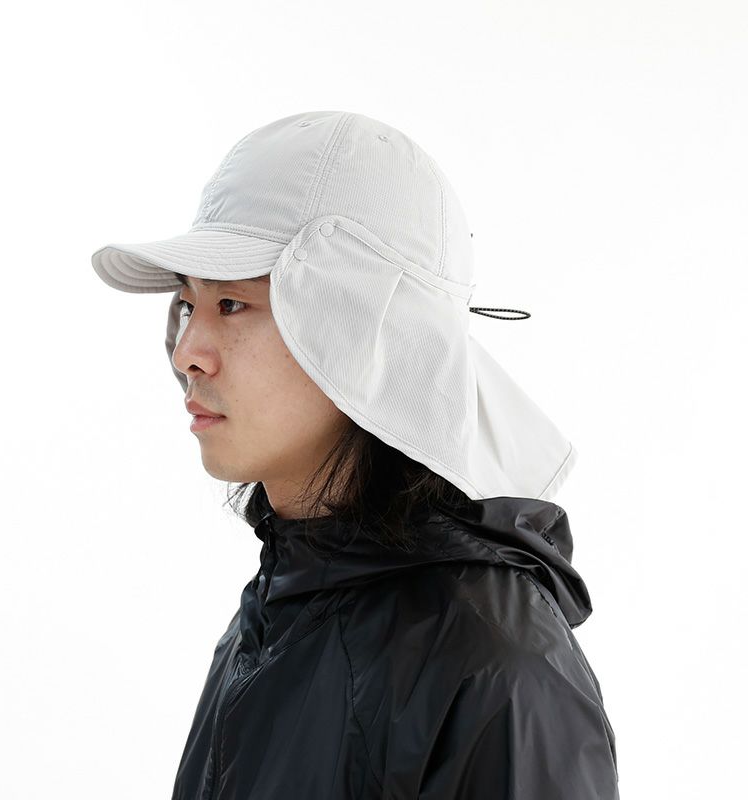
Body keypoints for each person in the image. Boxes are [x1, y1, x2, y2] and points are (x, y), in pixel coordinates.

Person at [90, 110, 620, 799]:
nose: (187, 353)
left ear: (364, 335)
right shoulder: (274, 613)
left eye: (233, 304)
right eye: (188, 305)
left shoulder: (498, 673)